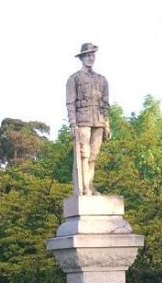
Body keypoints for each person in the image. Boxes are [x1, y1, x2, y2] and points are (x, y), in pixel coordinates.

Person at [66, 43, 111, 195]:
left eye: (93, 55)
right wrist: (73, 124)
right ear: (82, 58)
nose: (91, 58)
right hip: (82, 121)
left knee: (93, 156)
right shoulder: (74, 79)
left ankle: (89, 185)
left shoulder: (102, 80)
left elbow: (105, 104)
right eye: (87, 55)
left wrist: (107, 125)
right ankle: (84, 188)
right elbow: (70, 103)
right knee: (84, 154)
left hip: (98, 121)